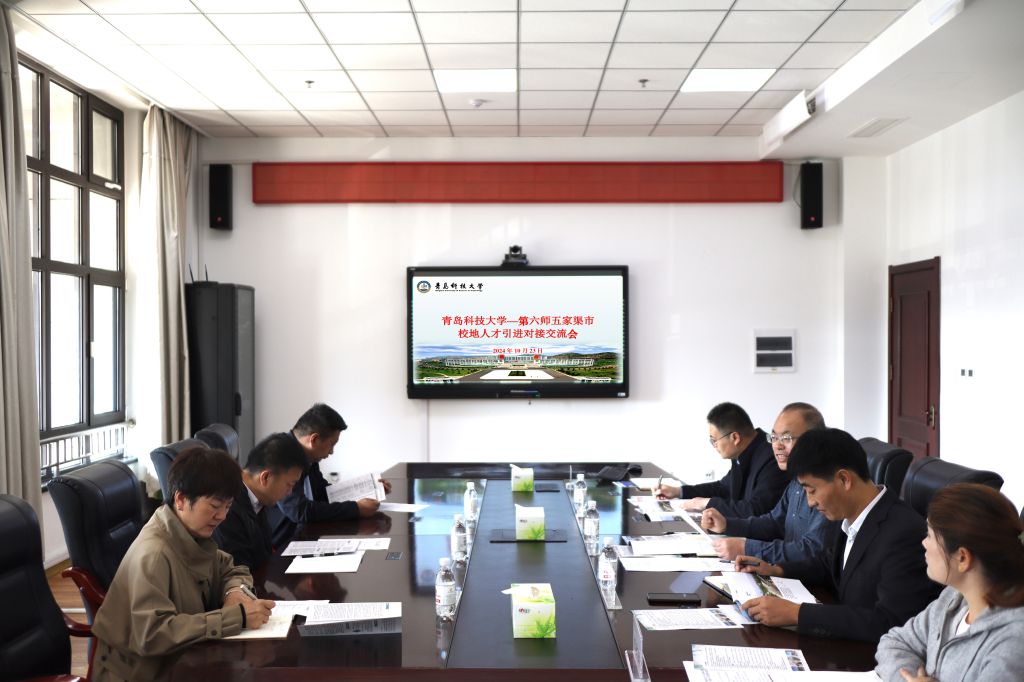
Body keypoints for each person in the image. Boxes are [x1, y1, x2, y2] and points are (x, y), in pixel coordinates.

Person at [733, 428, 939, 643]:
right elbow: (831, 565)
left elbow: (889, 622)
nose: (810, 502)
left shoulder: (903, 534)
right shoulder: (851, 513)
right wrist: (777, 569)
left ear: (843, 479)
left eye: (812, 490)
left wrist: (797, 613)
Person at [91, 448, 276, 681]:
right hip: (141, 673)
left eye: (228, 506)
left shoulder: (191, 533)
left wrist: (234, 592)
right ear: (180, 499)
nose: (222, 516)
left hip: (185, 660)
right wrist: (236, 617)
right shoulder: (154, 555)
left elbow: (232, 568)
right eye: (214, 506)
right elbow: (153, 634)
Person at [875, 483, 1024, 681]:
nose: (924, 543)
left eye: (930, 535)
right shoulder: (953, 597)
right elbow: (894, 642)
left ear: (962, 558)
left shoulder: (1013, 642)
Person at [701, 402, 837, 563]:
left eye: (786, 438)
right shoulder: (796, 480)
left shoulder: (829, 484)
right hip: (786, 570)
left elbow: (814, 551)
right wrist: (727, 524)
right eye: (774, 437)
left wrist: (747, 548)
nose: (777, 445)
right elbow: (774, 522)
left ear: (814, 439)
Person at [269, 403, 392, 546]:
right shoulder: (282, 457)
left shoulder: (306, 455)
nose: (332, 452)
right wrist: (355, 509)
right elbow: (299, 511)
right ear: (314, 440)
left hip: (306, 535)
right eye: (332, 444)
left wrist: (370, 490)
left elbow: (323, 493)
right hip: (283, 545)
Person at [658, 402, 788, 516]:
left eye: (714, 440)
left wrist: (707, 503)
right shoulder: (743, 452)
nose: (714, 446)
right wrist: (679, 491)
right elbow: (723, 487)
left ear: (735, 438)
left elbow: (757, 509)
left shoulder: (773, 458)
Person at [214, 432, 307, 571]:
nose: (290, 492)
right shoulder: (227, 508)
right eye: (289, 484)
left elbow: (264, 555)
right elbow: (241, 571)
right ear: (265, 477)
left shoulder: (258, 499)